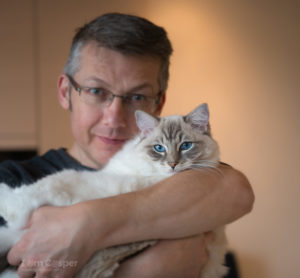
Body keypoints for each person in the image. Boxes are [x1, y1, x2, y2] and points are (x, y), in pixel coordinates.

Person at [0, 13, 254, 278]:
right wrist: (145, 270)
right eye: (97, 91)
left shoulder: (184, 173)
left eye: (137, 96)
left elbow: (237, 190)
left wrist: (87, 224)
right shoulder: (11, 180)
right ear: (66, 92)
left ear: (158, 104)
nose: (115, 118)